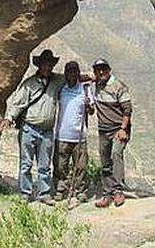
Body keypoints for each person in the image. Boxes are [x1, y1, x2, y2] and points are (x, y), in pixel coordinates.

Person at [0, 49, 65, 204]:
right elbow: (18, 103)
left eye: (50, 63)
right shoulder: (29, 84)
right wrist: (9, 118)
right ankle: (25, 193)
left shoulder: (57, 81)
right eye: (45, 63)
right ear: (39, 65)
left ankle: (44, 193)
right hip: (29, 129)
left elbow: (74, 77)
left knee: (44, 165)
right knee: (26, 164)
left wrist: (92, 76)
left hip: (47, 131)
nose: (47, 67)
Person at [91, 58, 132, 208]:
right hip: (103, 130)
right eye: (98, 69)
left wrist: (123, 129)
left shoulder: (118, 86)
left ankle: (118, 191)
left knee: (116, 155)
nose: (101, 72)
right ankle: (107, 194)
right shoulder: (95, 85)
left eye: (103, 69)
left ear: (109, 69)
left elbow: (127, 109)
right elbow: (82, 77)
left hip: (118, 129)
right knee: (105, 161)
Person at [53, 61, 93, 207]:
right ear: (65, 73)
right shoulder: (60, 89)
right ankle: (60, 190)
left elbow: (91, 111)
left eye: (74, 71)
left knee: (81, 166)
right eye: (69, 71)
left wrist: (89, 106)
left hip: (80, 135)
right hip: (62, 134)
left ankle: (80, 191)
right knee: (60, 165)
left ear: (78, 73)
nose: (72, 74)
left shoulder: (85, 89)